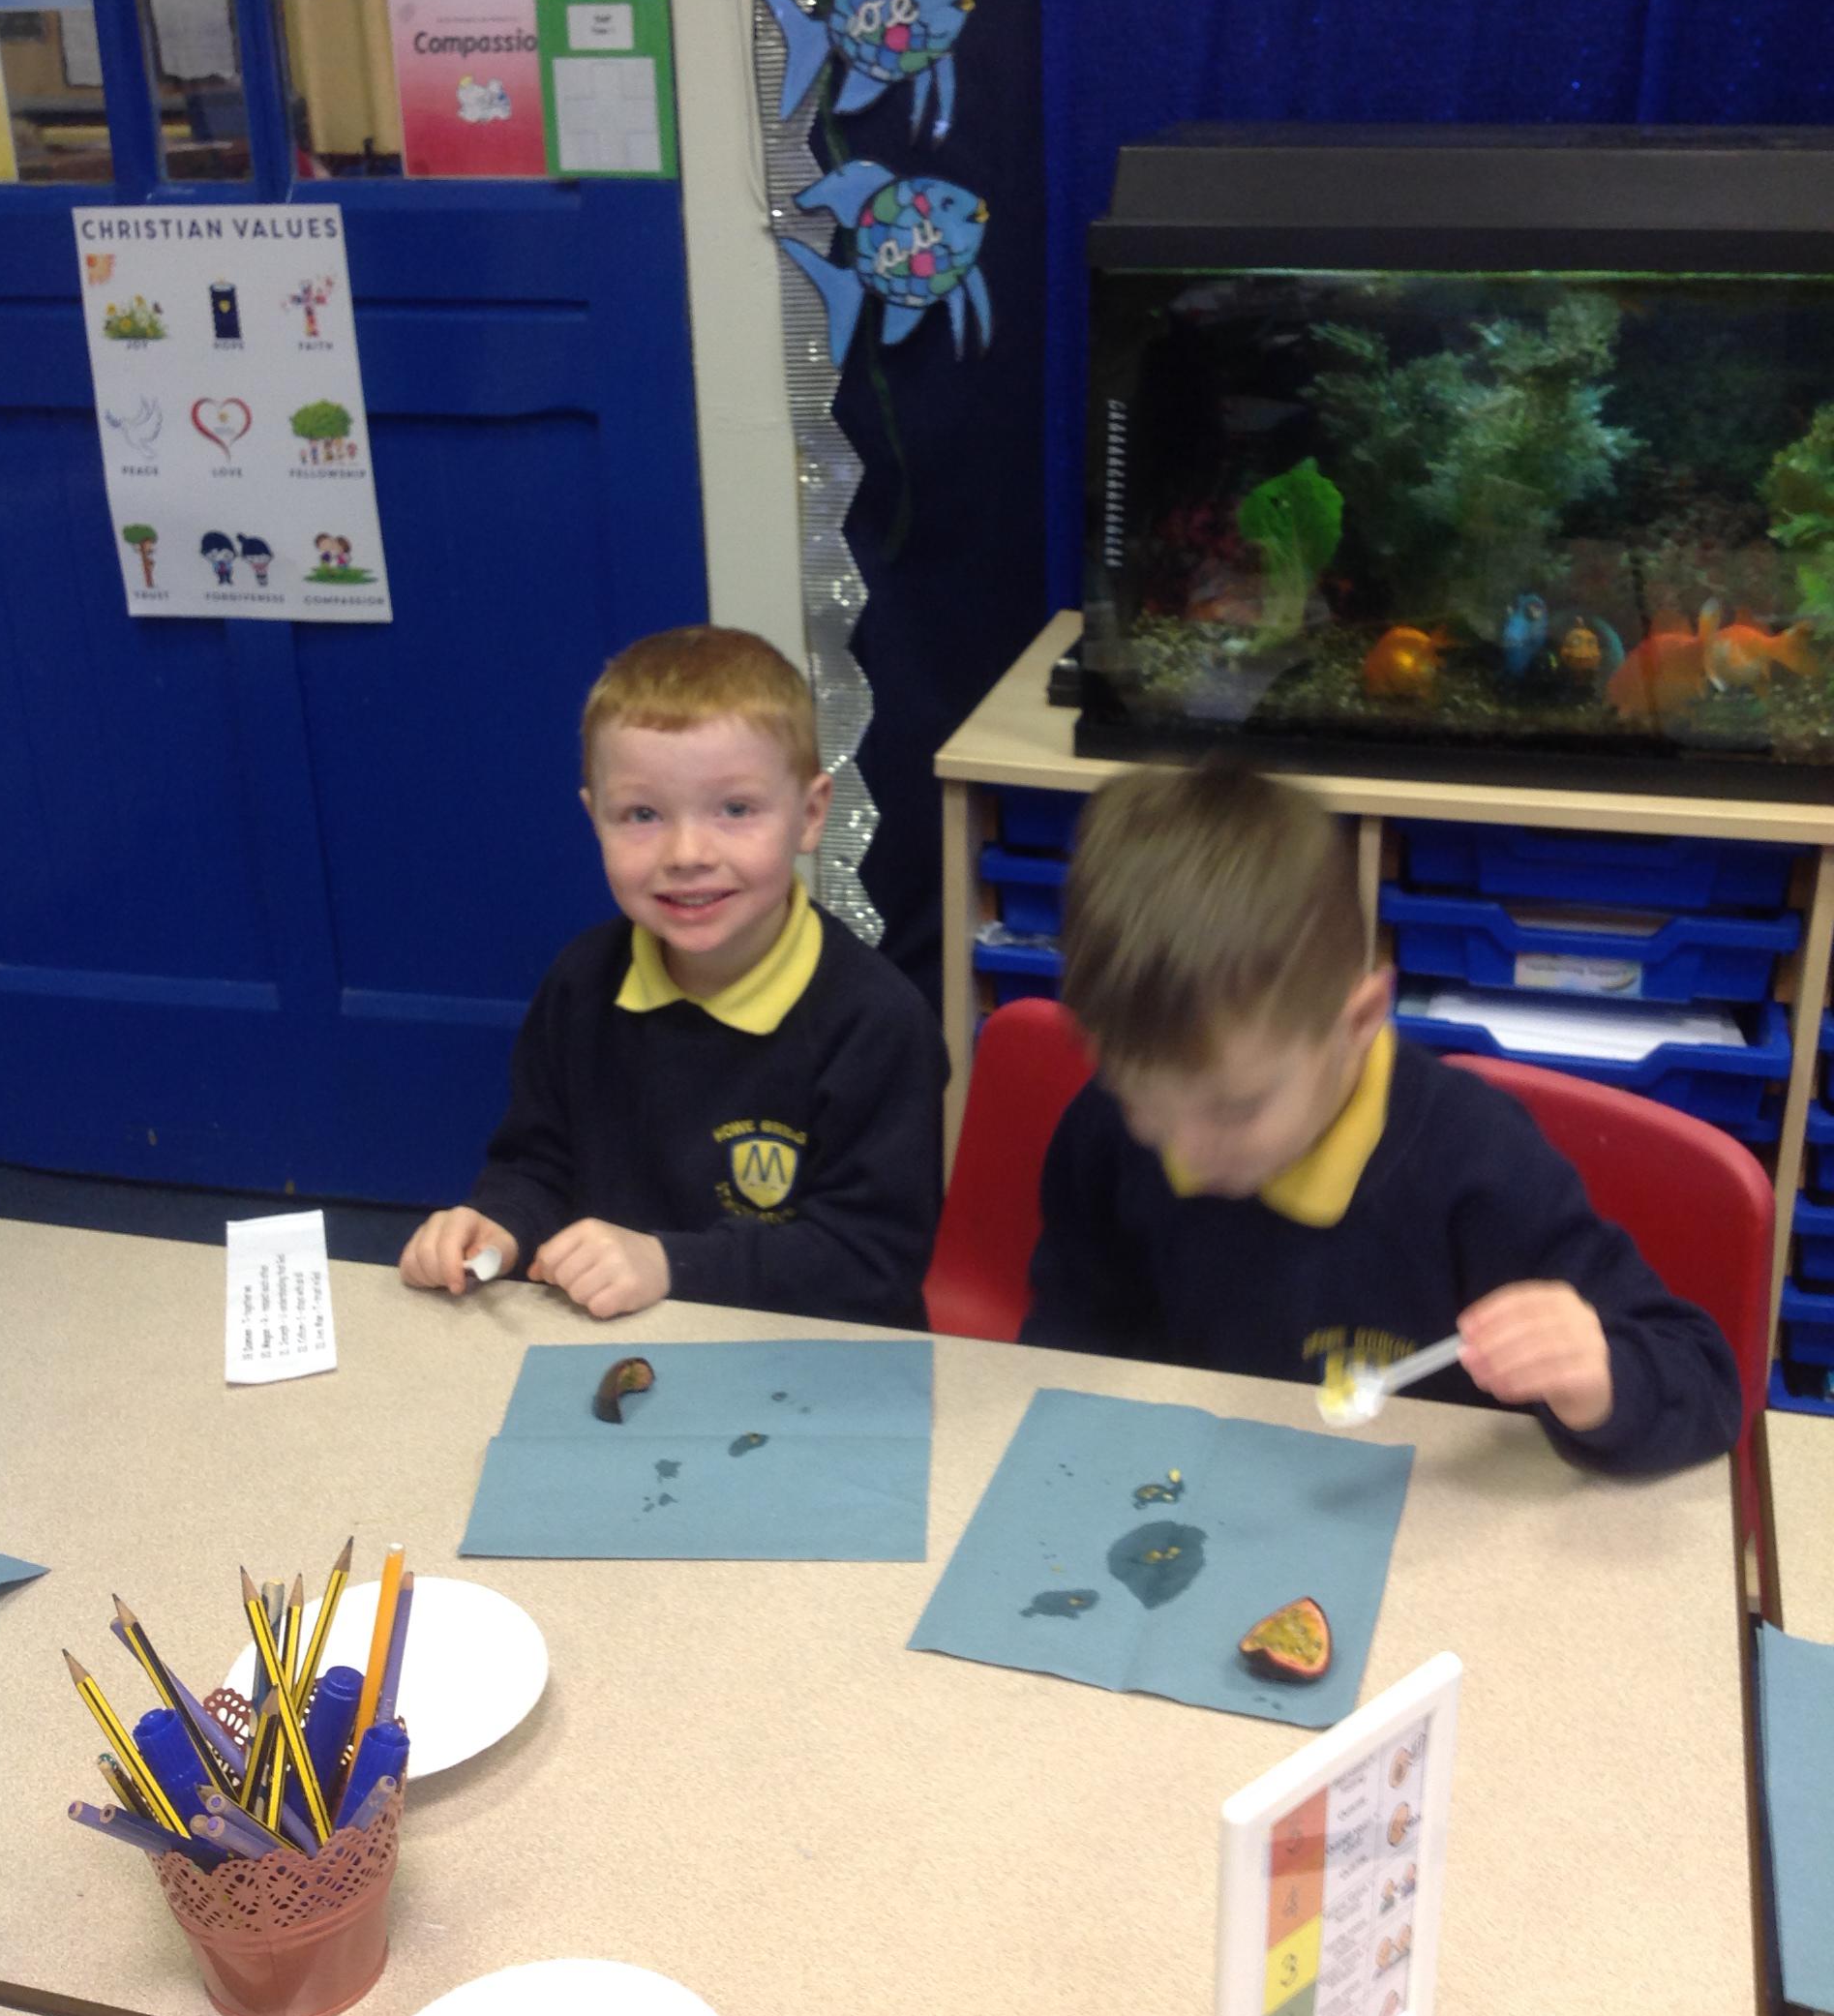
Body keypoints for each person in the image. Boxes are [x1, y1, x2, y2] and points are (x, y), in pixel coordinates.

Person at [1021, 760, 1742, 1473]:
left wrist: (1601, 1380)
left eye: (1236, 1109)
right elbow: (1074, 1337)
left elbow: (1703, 1380)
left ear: (1359, 1020)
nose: (1187, 1149)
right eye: (1142, 1100)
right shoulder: (1105, 1133)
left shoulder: (1480, 1164)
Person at [401, 625, 947, 1327]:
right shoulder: (581, 985)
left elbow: (870, 1262)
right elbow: (536, 1165)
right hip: (616, 1342)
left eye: (736, 809)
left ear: (810, 815)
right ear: (595, 819)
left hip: (812, 1359)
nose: (687, 853)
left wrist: (670, 1265)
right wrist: (497, 1223)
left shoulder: (877, 1022)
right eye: (643, 814)